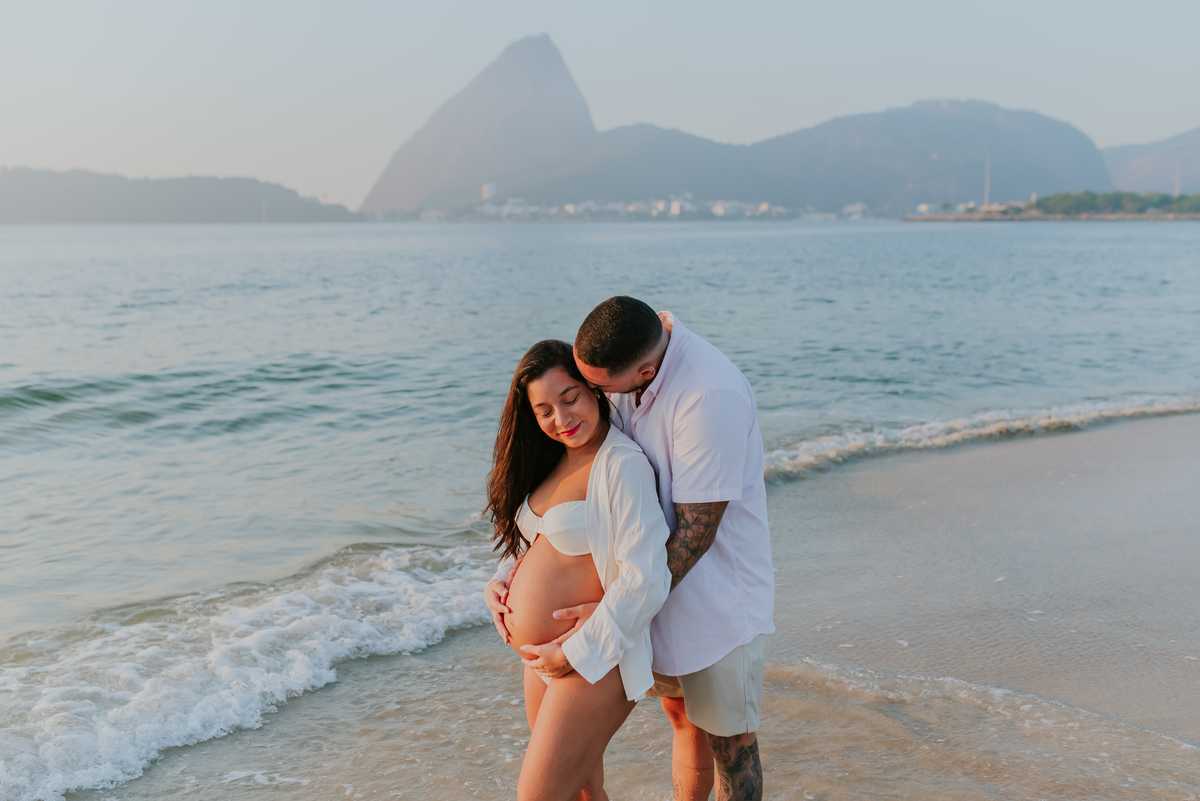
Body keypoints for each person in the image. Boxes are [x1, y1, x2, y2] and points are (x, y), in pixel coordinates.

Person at [572, 296, 775, 801]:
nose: (593, 396)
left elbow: (696, 532)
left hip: (717, 602)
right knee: (681, 717)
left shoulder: (708, 395)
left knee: (732, 745)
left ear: (643, 371)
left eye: (599, 388)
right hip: (657, 590)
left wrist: (616, 608)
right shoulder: (635, 355)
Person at [483, 339, 672, 801]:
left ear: (593, 390)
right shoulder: (552, 461)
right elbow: (540, 543)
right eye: (544, 410)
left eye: (569, 399)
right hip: (542, 661)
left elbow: (646, 579)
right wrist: (500, 581)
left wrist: (573, 653)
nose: (561, 420)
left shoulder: (621, 466)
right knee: (582, 795)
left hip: (593, 661)